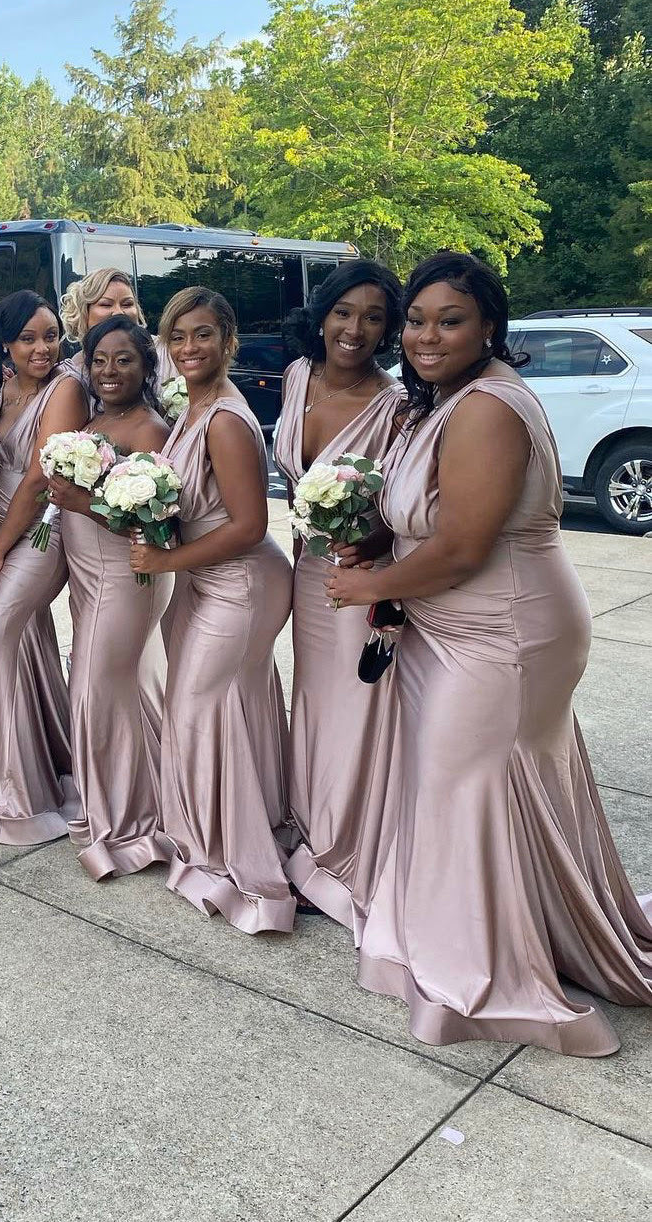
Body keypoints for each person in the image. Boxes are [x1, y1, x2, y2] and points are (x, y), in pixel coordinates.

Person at [326, 252, 652, 1056]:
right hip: (449, 623)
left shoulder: (488, 409)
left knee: (466, 786)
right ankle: (493, 932)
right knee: (459, 787)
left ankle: (483, 970)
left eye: (451, 321)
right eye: (417, 320)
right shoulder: (445, 401)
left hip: (503, 631)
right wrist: (378, 541)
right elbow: (436, 518)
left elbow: (465, 546)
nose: (426, 336)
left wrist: (369, 586)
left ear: (490, 328)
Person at [132, 287, 294, 933]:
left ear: (228, 341)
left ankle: (222, 849)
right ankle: (235, 825)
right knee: (225, 707)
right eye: (177, 336)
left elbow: (250, 525)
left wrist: (167, 560)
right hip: (205, 577)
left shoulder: (226, 418)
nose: (188, 347)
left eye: (202, 334)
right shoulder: (192, 408)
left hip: (242, 582)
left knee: (198, 707)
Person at [272, 260, 405, 929]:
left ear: (388, 329)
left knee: (356, 709)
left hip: (361, 577)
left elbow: (407, 504)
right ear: (322, 315)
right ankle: (309, 831)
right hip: (306, 572)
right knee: (315, 703)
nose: (355, 329)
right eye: (344, 312)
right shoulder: (298, 376)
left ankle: (342, 852)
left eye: (374, 317)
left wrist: (372, 543)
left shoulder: (395, 404)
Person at [47, 316, 173, 877]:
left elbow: (157, 525)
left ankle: (123, 822)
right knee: (125, 690)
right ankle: (149, 797)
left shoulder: (150, 430)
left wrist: (82, 503)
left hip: (127, 576)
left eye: (124, 359)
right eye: (99, 360)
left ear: (145, 366)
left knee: (93, 688)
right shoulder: (92, 422)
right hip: (88, 574)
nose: (109, 370)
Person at [0, 289, 88, 844]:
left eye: (51, 336)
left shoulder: (66, 389)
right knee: (25, 647)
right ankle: (51, 761)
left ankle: (8, 794)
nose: (43, 348)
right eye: (28, 339)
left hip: (41, 529)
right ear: (5, 345)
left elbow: (40, 476)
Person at [58, 268, 180, 388]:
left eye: (127, 304)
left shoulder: (165, 352)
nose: (119, 312)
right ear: (84, 312)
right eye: (106, 304)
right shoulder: (72, 370)